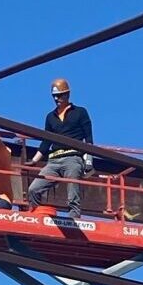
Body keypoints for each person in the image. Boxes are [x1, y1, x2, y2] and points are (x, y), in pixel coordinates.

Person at [27, 78, 93, 216]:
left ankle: (74, 217)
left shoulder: (80, 112)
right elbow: (46, 142)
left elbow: (89, 138)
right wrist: (34, 160)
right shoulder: (50, 117)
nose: (56, 98)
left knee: (72, 190)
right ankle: (39, 212)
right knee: (33, 189)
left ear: (67, 95)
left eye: (59, 95)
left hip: (73, 158)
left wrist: (89, 161)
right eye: (54, 96)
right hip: (54, 161)